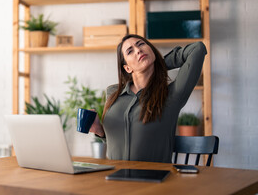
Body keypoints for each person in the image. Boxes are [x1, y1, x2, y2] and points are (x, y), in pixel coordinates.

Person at [89, 34, 207, 163]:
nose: (138, 50)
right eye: (130, 51)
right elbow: (119, 140)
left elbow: (198, 49)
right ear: (127, 68)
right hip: (114, 178)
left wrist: (159, 63)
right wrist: (99, 130)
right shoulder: (113, 93)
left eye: (141, 44)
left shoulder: (172, 94)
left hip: (153, 179)